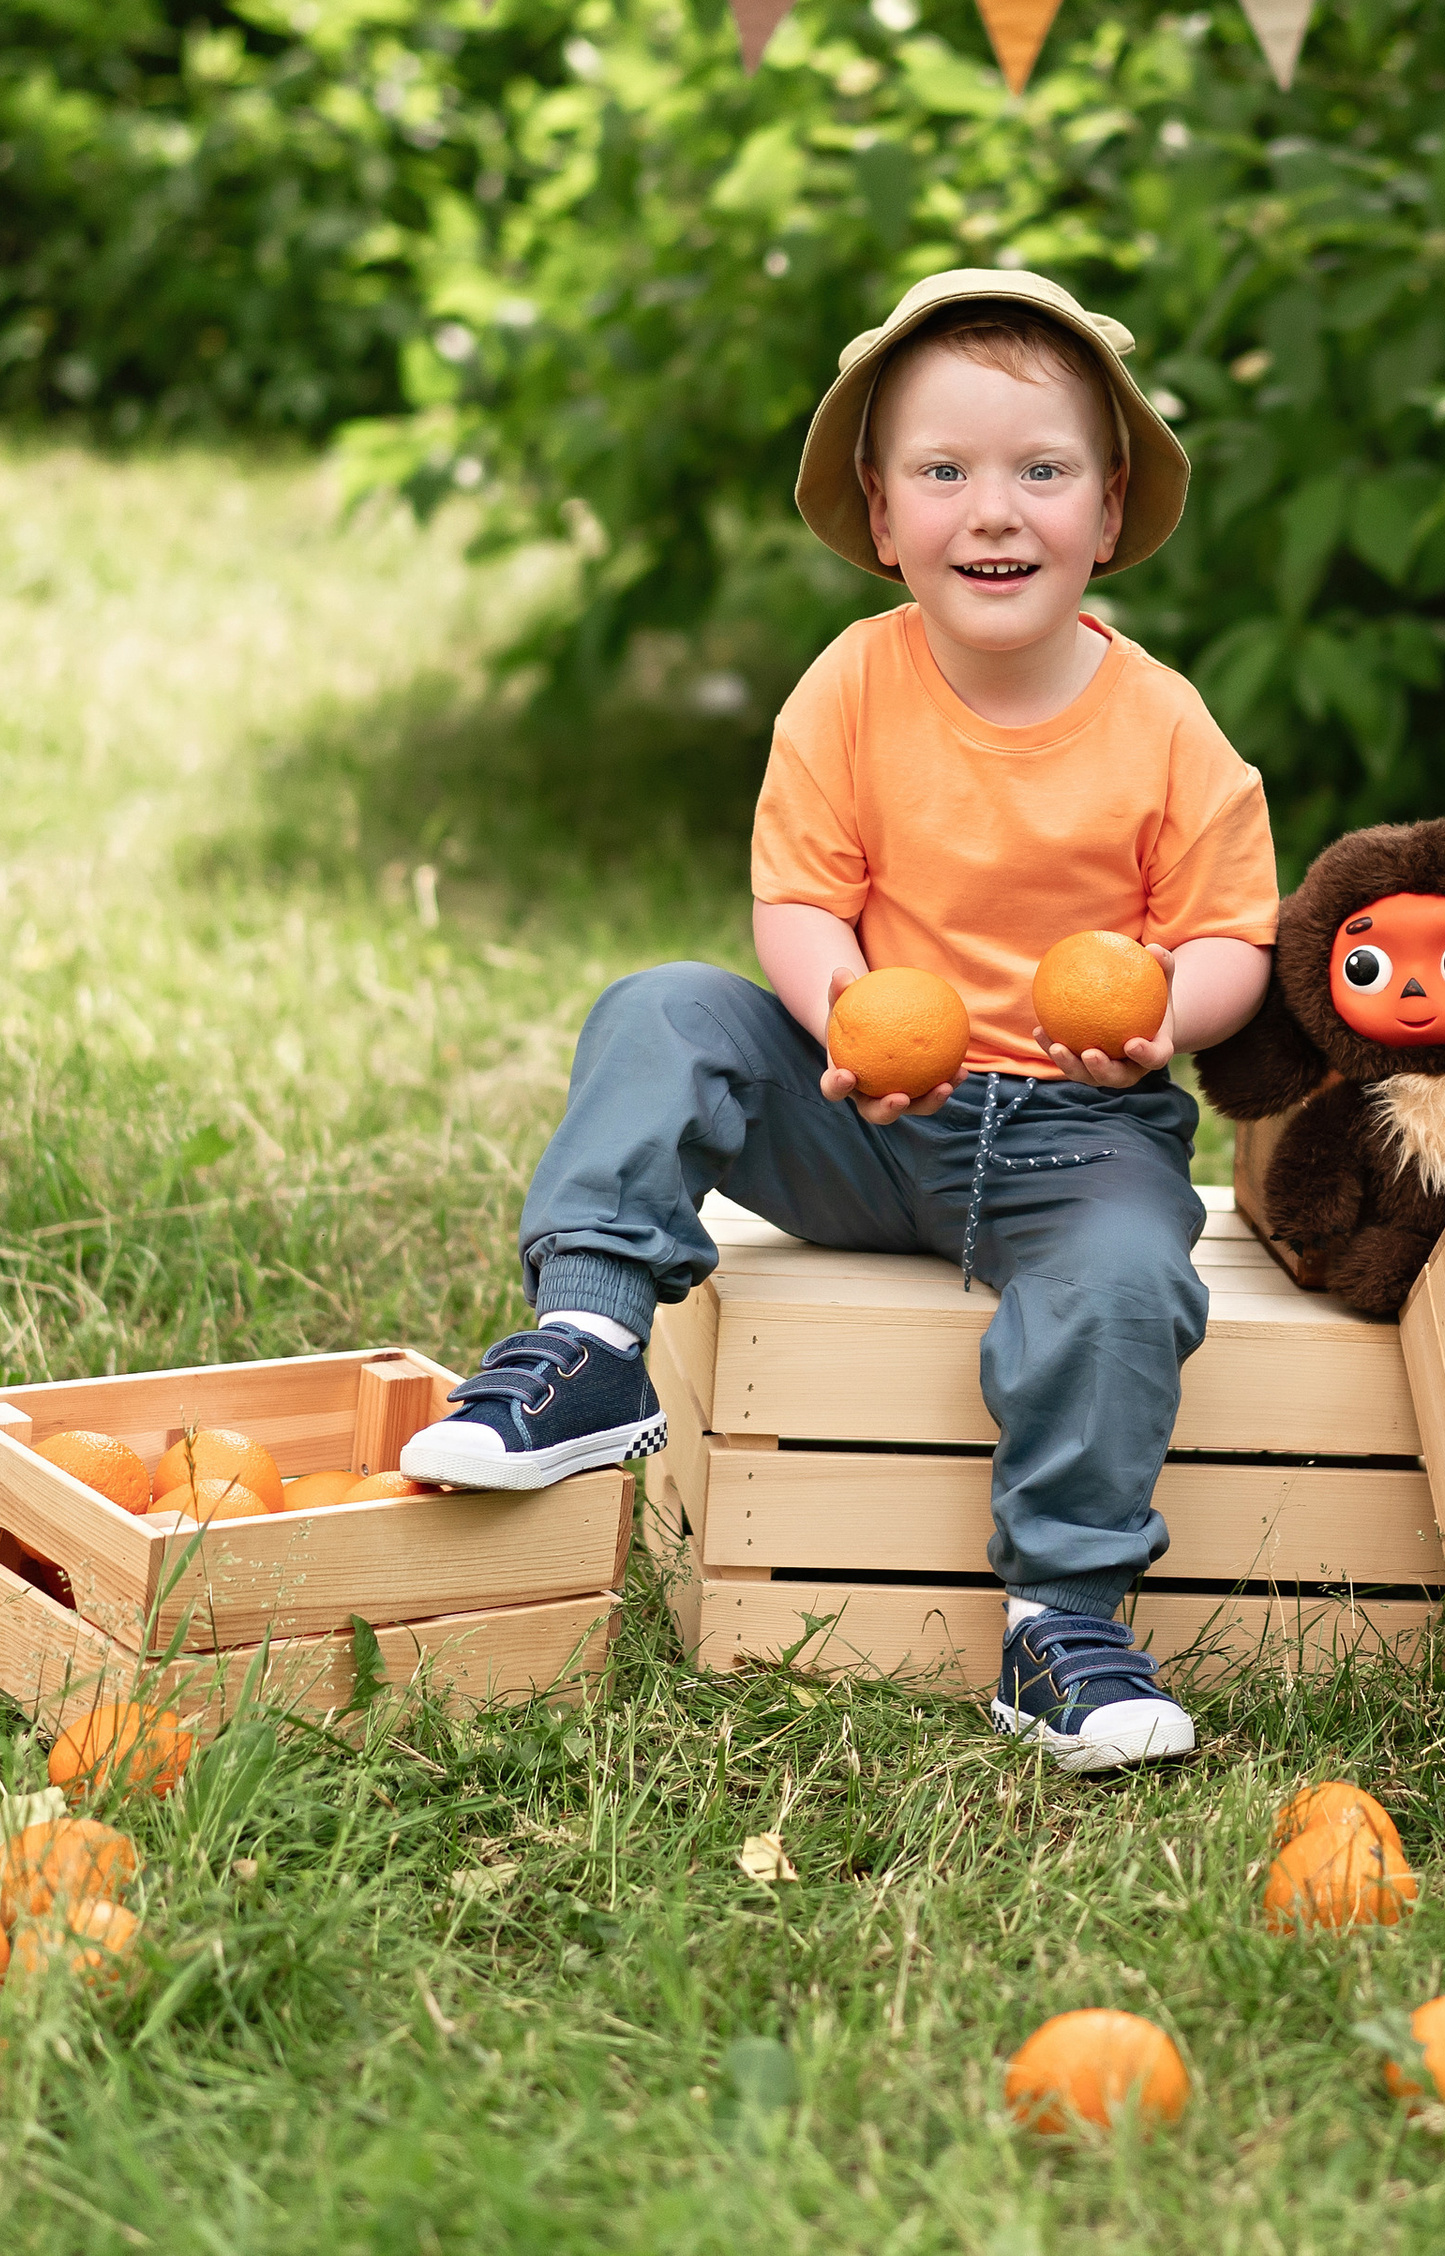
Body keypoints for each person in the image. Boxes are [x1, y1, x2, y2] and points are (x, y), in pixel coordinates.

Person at [401, 269, 1278, 1771]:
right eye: (944, 472)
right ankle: (593, 1335)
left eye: (1040, 471)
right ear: (882, 520)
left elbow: (1228, 937)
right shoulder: (851, 688)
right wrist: (843, 1013)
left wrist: (1159, 1027)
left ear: (1111, 507)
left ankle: (1062, 1619)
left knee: (1131, 1280)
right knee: (663, 1010)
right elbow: (800, 901)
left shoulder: (1165, 724)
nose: (992, 511)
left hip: (1084, 1138)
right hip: (870, 1120)